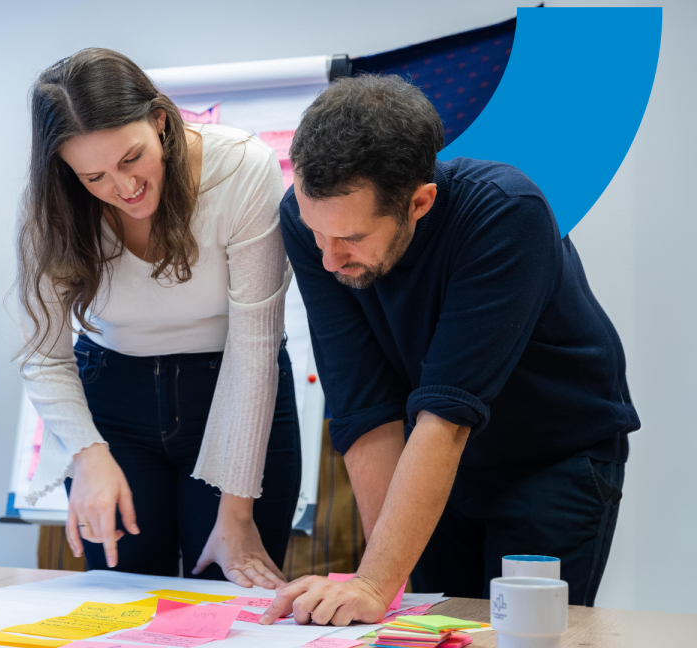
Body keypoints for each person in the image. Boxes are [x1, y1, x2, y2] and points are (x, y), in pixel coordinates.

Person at [262, 75, 638, 625]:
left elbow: (448, 415)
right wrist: (381, 587)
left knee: (518, 636)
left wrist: (373, 581)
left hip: (551, 458)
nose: (329, 259)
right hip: (433, 462)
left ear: (419, 203)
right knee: (425, 625)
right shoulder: (307, 222)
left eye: (352, 239)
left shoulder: (507, 211)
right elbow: (364, 407)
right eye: (318, 233)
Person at [16, 48, 299, 588]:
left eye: (131, 159)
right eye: (93, 176)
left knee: (229, 600)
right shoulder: (50, 204)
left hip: (234, 389)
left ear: (161, 121)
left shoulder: (240, 167)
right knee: (123, 602)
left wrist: (237, 514)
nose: (122, 189)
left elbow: (256, 346)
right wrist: (89, 457)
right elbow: (42, 354)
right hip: (114, 401)